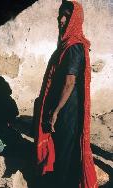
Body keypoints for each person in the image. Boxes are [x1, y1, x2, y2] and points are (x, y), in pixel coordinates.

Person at [34, 1, 97, 188]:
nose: (61, 20)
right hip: (62, 104)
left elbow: (70, 82)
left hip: (68, 108)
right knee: (60, 146)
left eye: (67, 16)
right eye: (60, 15)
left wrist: (56, 111)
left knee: (65, 150)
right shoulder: (65, 44)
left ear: (75, 19)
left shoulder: (74, 47)